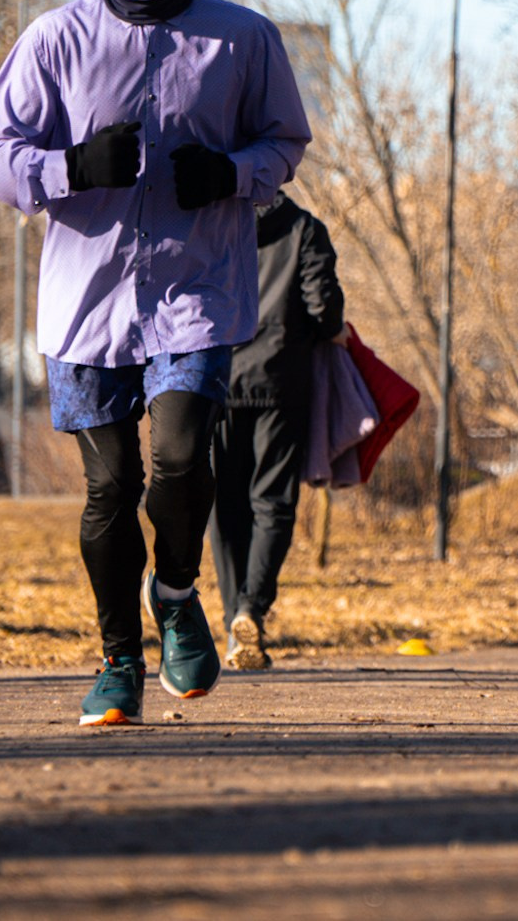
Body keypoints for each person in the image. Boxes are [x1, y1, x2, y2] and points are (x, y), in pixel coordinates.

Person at [0, 0, 311, 727]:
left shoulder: (243, 38)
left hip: (196, 292)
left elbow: (284, 143)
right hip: (86, 303)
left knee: (183, 456)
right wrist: (68, 166)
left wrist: (230, 174)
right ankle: (119, 658)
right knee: (110, 489)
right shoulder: (55, 40)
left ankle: (176, 589)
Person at [210, 189, 345, 672]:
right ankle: (252, 608)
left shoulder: (216, 224)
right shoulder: (305, 230)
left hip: (219, 379)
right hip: (282, 383)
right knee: (273, 503)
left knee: (225, 507)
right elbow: (324, 311)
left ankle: (232, 618)